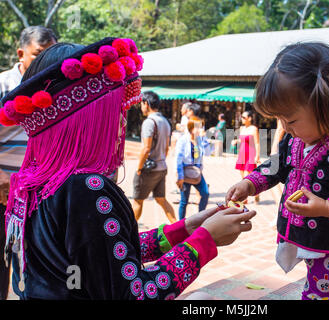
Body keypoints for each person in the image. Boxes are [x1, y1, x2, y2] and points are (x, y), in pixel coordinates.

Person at [0, 38, 256, 300]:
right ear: (86, 121)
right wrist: (205, 241)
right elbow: (135, 294)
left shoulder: (31, 181)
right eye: (113, 112)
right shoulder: (85, 188)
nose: (122, 122)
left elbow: (104, 255)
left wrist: (187, 229)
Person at [226, 42, 329, 300]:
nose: (285, 128)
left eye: (290, 120)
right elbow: (277, 166)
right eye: (280, 120)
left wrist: (326, 207)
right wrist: (251, 183)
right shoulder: (294, 139)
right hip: (313, 241)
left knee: (315, 295)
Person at [0, 25, 57, 300]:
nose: (47, 63)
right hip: (1, 195)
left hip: (36, 198)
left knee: (29, 270)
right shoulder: (2, 86)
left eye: (52, 55)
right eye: (38, 55)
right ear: (21, 53)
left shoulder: (56, 90)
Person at [132, 91, 176, 224]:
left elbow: (146, 148)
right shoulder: (165, 121)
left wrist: (139, 168)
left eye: (141, 104)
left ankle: (128, 232)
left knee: (137, 201)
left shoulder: (149, 122)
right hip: (162, 166)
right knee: (161, 199)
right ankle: (178, 226)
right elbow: (167, 148)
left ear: (146, 103)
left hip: (148, 169)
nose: (141, 107)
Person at [175, 120, 211, 220]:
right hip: (185, 173)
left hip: (196, 173)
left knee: (205, 193)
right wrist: (180, 176)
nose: (200, 130)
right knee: (184, 201)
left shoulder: (200, 139)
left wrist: (204, 138)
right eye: (198, 127)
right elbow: (178, 159)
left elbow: (208, 153)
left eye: (201, 127)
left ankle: (200, 218)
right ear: (191, 128)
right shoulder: (183, 140)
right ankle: (180, 223)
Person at [232, 110, 260, 203]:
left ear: (250, 118)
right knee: (242, 176)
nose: (242, 119)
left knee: (250, 175)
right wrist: (236, 141)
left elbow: (257, 142)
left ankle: (255, 194)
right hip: (242, 153)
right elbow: (242, 140)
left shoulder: (254, 129)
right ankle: (246, 196)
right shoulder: (242, 128)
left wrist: (257, 156)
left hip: (250, 153)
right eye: (242, 117)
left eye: (244, 117)